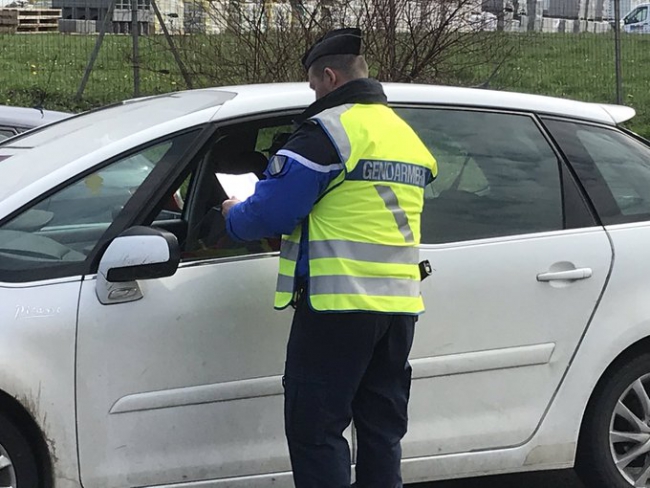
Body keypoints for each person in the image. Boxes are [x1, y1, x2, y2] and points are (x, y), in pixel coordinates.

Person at [222, 27, 437, 488]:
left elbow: (271, 213)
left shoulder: (329, 133)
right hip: (399, 310)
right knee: (381, 431)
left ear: (331, 77)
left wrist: (231, 215)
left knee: (316, 430)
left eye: (314, 84)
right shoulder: (403, 135)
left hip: (339, 308)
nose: (314, 93)